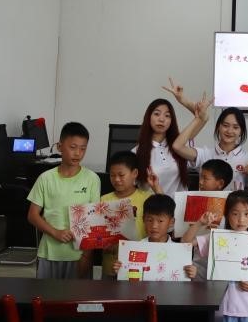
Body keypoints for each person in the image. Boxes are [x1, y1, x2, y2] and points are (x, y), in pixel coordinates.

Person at [183, 191, 248, 322]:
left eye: (247, 214)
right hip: (221, 309)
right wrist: (199, 223)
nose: (241, 220)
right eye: (235, 214)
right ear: (227, 215)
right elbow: (186, 243)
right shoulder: (216, 237)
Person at [27, 122, 101, 279]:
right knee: (46, 294)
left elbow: (93, 220)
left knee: (76, 294)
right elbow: (32, 215)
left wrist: (87, 256)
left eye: (83, 148)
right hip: (49, 253)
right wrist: (55, 232)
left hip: (78, 255)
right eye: (73, 147)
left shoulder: (92, 179)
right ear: (60, 147)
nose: (78, 153)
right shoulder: (46, 178)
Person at [79, 151, 150, 279]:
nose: (116, 179)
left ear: (134, 173)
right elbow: (95, 234)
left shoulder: (146, 199)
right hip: (110, 266)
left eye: (121, 175)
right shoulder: (103, 200)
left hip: (137, 265)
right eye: (112, 175)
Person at [173, 89, 248, 191]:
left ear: (241, 131)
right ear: (218, 126)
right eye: (225, 125)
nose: (229, 131)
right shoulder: (205, 154)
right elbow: (177, 146)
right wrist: (198, 118)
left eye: (235, 127)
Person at [133, 96, 188, 196]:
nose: (161, 119)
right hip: (150, 204)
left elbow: (200, 118)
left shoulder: (179, 148)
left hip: (180, 204)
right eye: (157, 114)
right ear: (148, 117)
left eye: (167, 115)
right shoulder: (136, 152)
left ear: (171, 121)